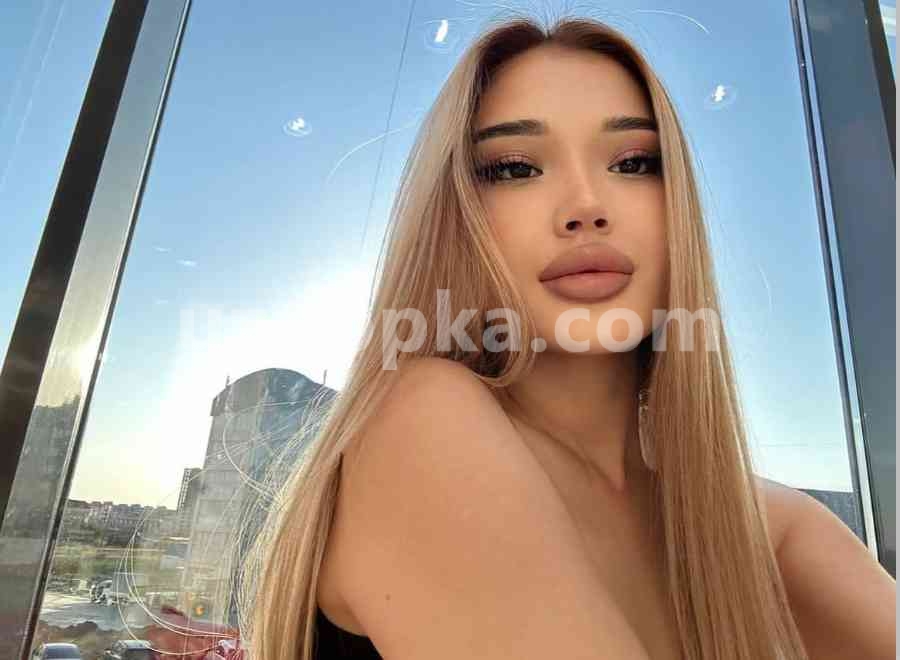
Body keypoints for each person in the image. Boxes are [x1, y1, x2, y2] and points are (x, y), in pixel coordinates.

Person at [236, 13, 896, 660]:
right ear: (456, 216)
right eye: (515, 168)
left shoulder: (768, 528)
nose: (585, 206)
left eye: (634, 161)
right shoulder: (420, 422)